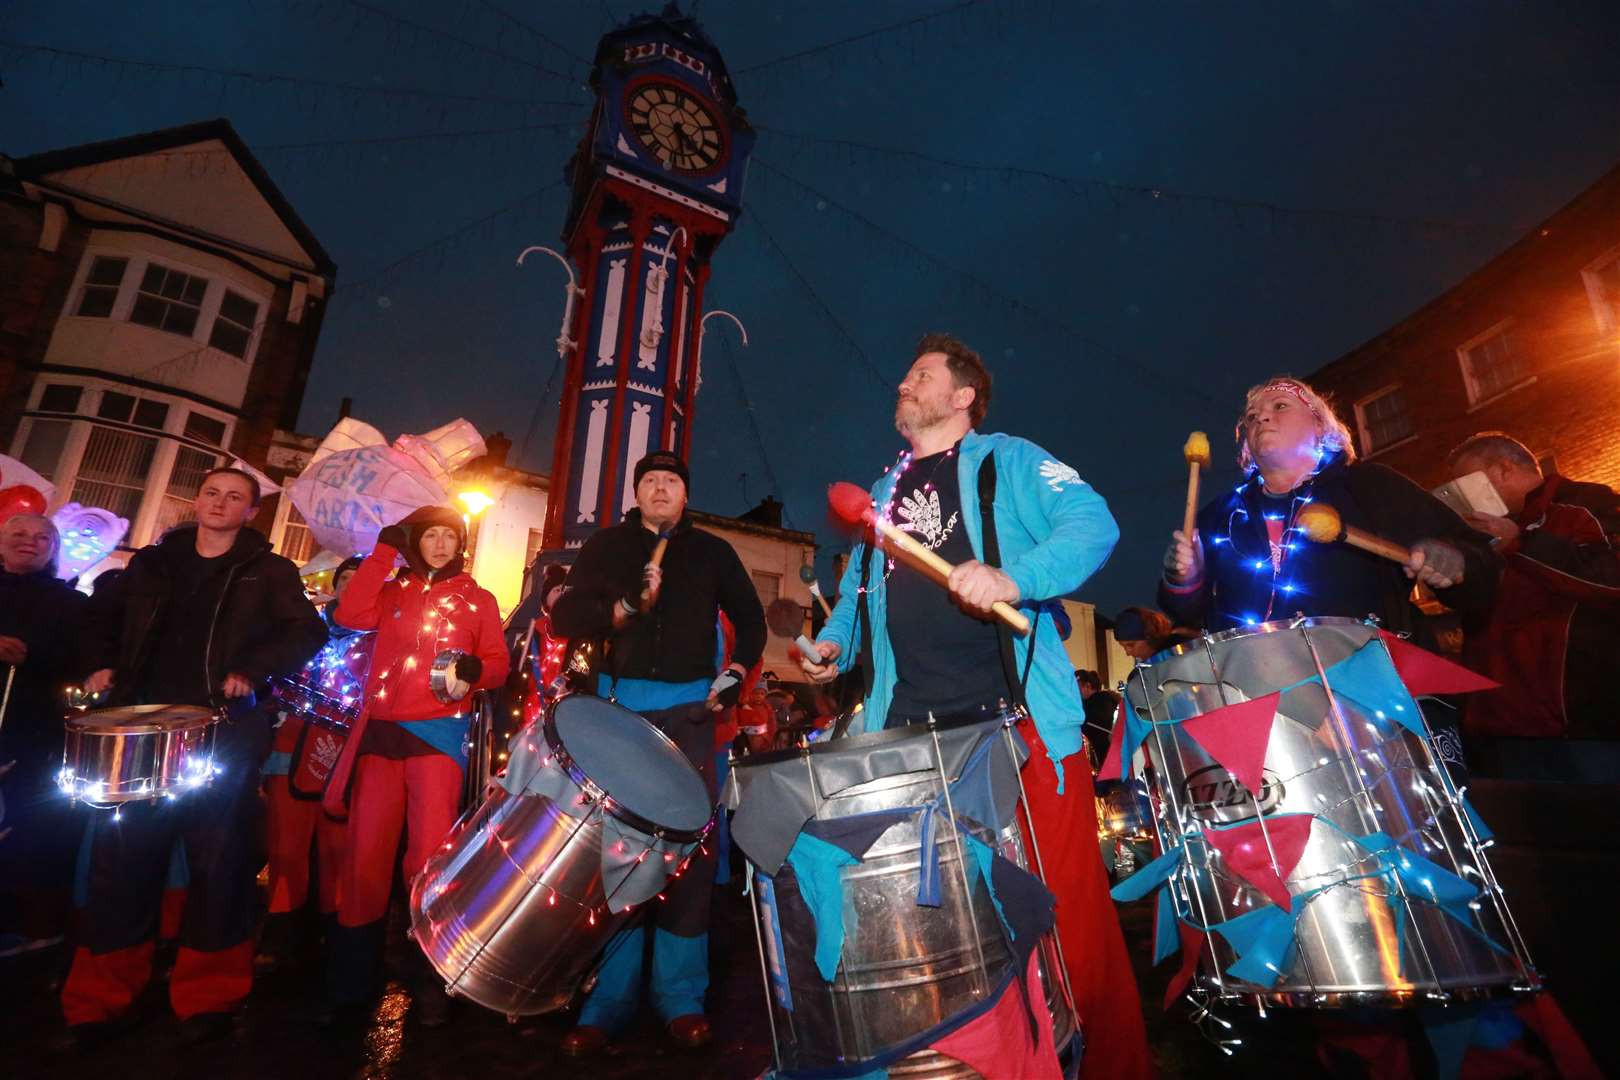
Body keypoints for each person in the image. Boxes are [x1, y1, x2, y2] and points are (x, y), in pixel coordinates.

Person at [801, 333, 1151, 1078]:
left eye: (919, 375)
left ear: (961, 397)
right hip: (910, 735)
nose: (902, 383)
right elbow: (865, 592)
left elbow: (1095, 525)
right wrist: (831, 645)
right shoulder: (887, 486)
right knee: (940, 929)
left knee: (1058, 917)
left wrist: (1012, 576)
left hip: (1013, 727)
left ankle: (1092, 1060)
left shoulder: (1013, 460)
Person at [61, 468, 327, 1045]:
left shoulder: (269, 571)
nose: (220, 503)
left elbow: (306, 632)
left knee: (219, 862)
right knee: (121, 863)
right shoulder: (152, 564)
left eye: (235, 497)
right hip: (139, 730)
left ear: (249, 511)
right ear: (198, 501)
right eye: (212, 493)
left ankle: (208, 998)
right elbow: (99, 619)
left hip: (222, 731)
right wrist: (100, 665)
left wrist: (252, 672)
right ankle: (100, 999)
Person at [550, 449, 765, 1056]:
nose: (661, 489)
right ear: (638, 492)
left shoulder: (712, 551)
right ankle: (607, 997)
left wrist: (737, 673)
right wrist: (619, 609)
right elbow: (566, 615)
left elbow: (750, 620)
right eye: (650, 481)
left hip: (691, 712)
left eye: (671, 481)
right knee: (614, 847)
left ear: (684, 494)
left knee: (688, 852)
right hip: (619, 710)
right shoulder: (606, 547)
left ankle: (681, 996)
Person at [322, 507, 509, 1027]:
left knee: (427, 862)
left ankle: (431, 979)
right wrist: (382, 552)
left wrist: (476, 671)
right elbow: (349, 614)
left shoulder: (479, 598)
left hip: (437, 738)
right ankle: (349, 985)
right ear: (415, 541)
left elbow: (497, 664)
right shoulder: (393, 589)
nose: (442, 544)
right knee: (365, 858)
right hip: (381, 734)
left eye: (451, 535)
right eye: (431, 535)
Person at [1446, 432, 1620, 777]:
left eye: (1466, 483)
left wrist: (1521, 542)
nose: (1463, 498)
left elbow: (1610, 578)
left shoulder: (1587, 504)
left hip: (1584, 730)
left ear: (1503, 470)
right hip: (1503, 731)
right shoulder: (1487, 534)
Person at [257, 554, 366, 970]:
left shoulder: (380, 640)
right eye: (346, 579)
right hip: (292, 746)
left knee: (338, 849)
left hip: (350, 754)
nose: (352, 586)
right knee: (286, 846)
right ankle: (283, 930)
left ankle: (333, 931)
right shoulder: (305, 630)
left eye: (362, 580)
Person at [0, 514, 88, 955]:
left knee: (24, 827)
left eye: (42, 538)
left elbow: (80, 660)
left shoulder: (68, 602)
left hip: (32, 731)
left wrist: (34, 656)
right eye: (18, 534)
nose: (29, 543)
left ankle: (26, 922)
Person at [1075, 669, 1119, 769]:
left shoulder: (1096, 703)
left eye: (1076, 688)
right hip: (1109, 758)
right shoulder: (1106, 701)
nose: (1075, 693)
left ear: (1087, 686)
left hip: (1104, 759)